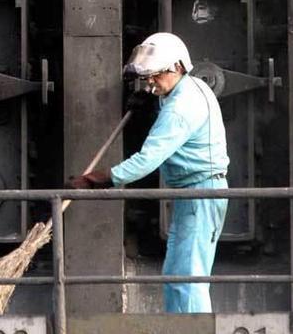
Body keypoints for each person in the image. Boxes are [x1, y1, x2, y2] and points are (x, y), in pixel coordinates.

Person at [69, 32, 229, 313]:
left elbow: (148, 159)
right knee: (177, 274)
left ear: (178, 67)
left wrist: (100, 179)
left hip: (201, 194)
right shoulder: (189, 88)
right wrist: (148, 103)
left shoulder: (181, 107)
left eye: (156, 75)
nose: (151, 82)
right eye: (148, 77)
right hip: (193, 194)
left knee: (189, 277)